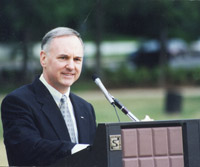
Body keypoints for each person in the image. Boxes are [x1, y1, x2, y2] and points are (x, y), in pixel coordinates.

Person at [1, 27, 97, 166]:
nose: (71, 66)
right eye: (63, 58)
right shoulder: (18, 102)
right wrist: (79, 149)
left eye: (77, 59)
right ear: (43, 59)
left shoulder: (86, 108)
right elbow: (26, 149)